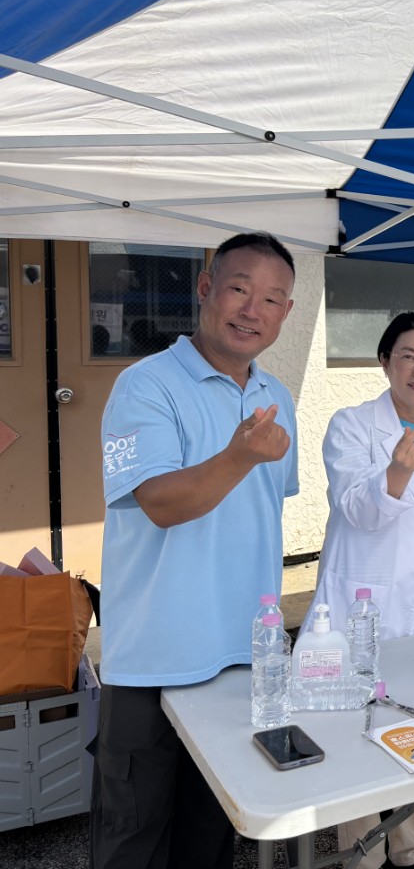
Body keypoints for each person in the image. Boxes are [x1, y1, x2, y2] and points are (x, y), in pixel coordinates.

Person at [91, 232, 298, 869]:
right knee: (135, 839)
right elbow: (161, 502)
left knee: (209, 836)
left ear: (286, 314)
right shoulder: (142, 386)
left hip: (240, 656)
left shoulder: (276, 395)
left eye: (271, 299)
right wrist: (238, 455)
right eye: (239, 288)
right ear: (206, 287)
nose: (251, 309)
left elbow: (260, 514)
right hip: (154, 658)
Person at [307, 311, 414, 869]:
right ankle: (362, 854)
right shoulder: (352, 425)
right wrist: (397, 473)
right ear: (385, 361)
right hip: (364, 608)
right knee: (359, 733)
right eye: (407, 355)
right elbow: (354, 507)